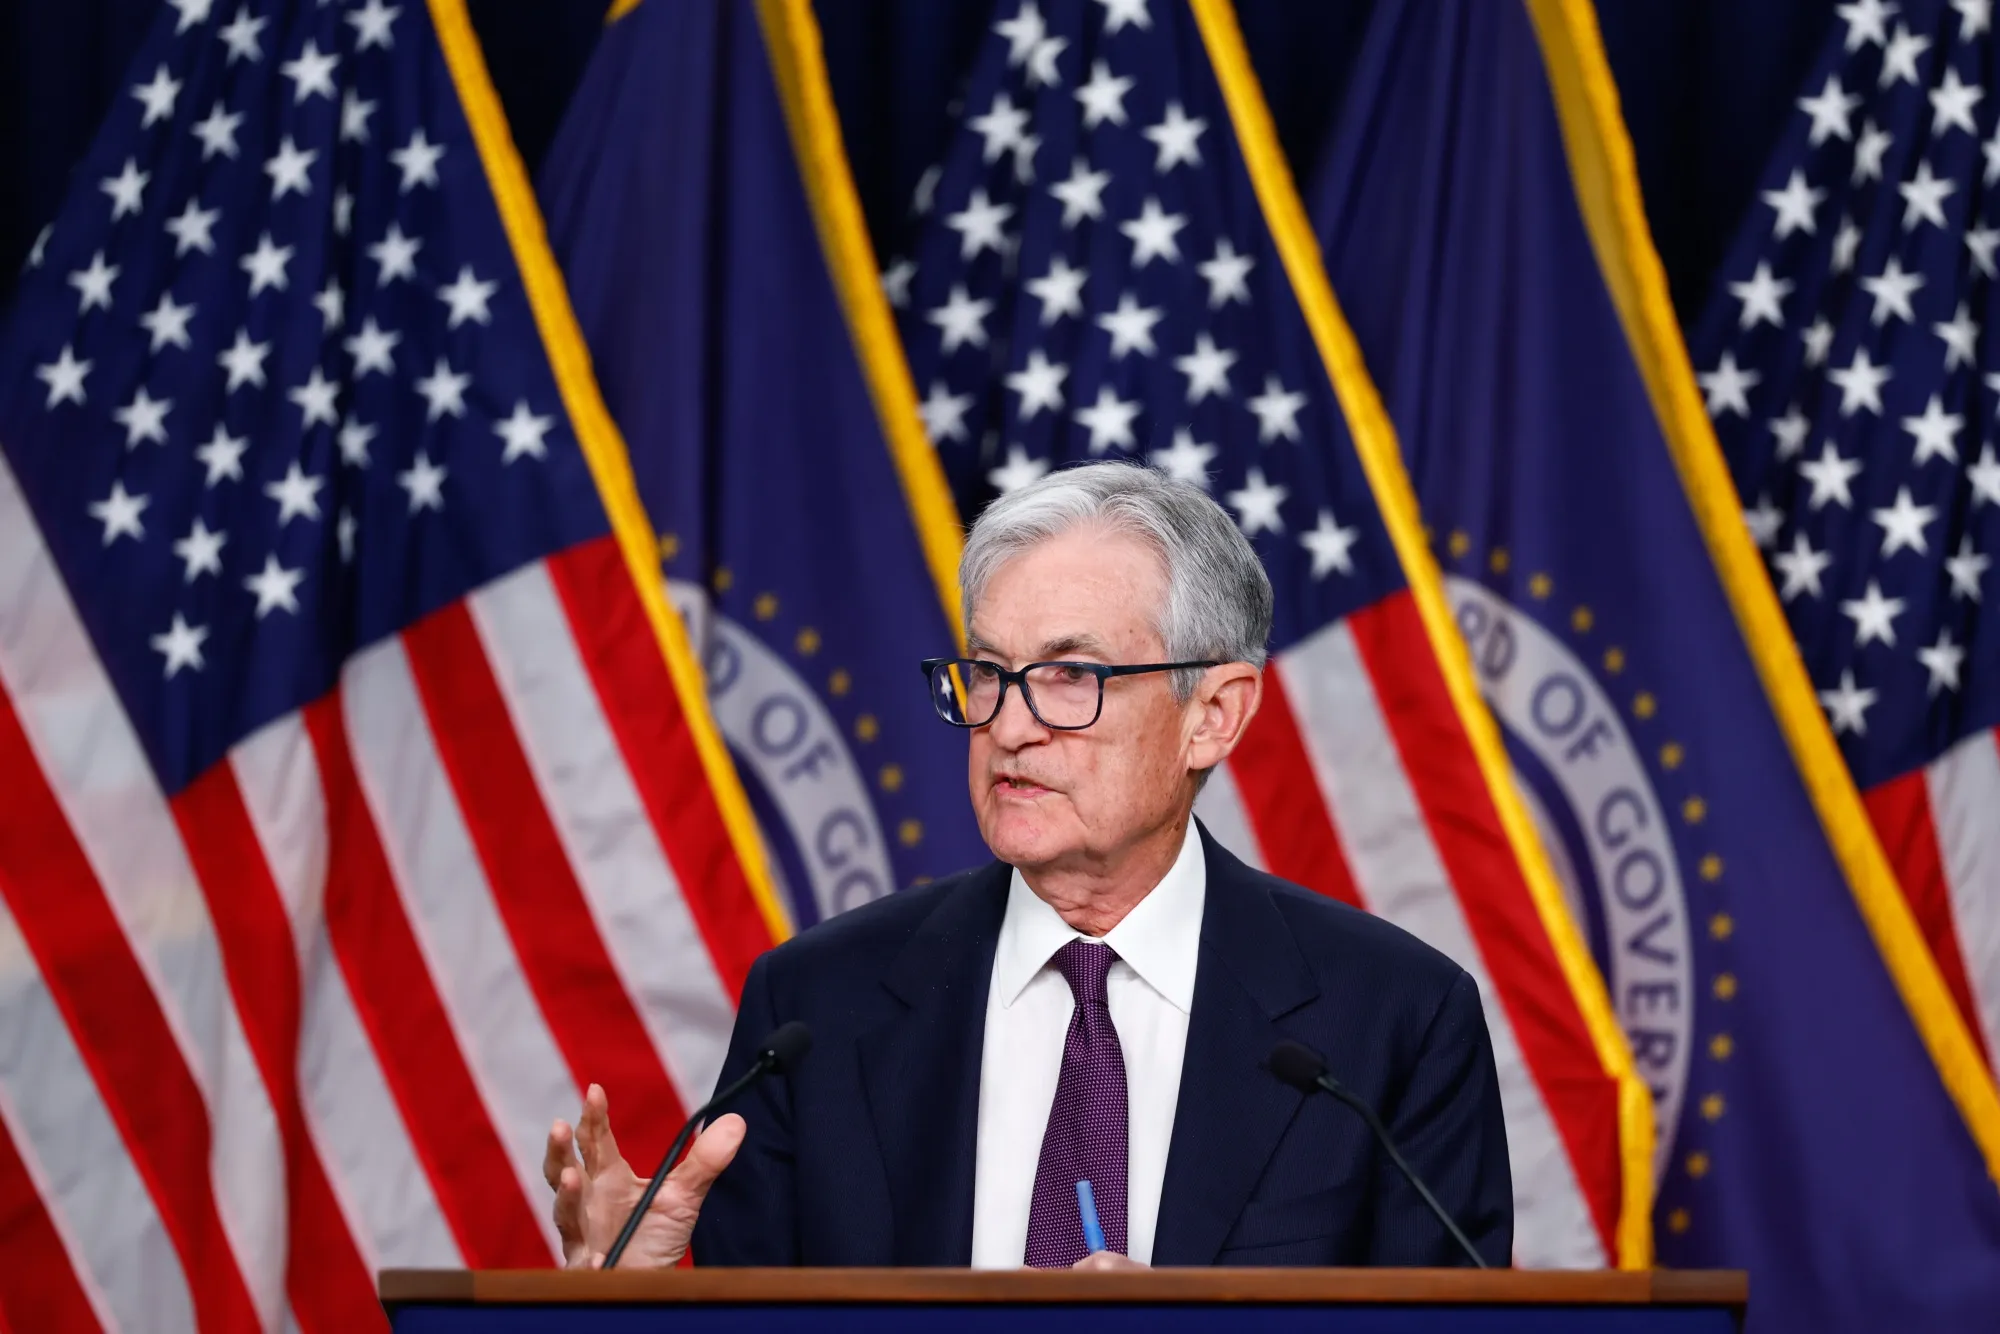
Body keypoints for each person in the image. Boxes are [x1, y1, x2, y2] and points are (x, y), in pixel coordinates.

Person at [542, 461, 1511, 1269]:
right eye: (988, 672)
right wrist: (648, 1297)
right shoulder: (813, 1008)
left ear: (1212, 714)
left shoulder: (1391, 1025)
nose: (1006, 726)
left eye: (1067, 676)